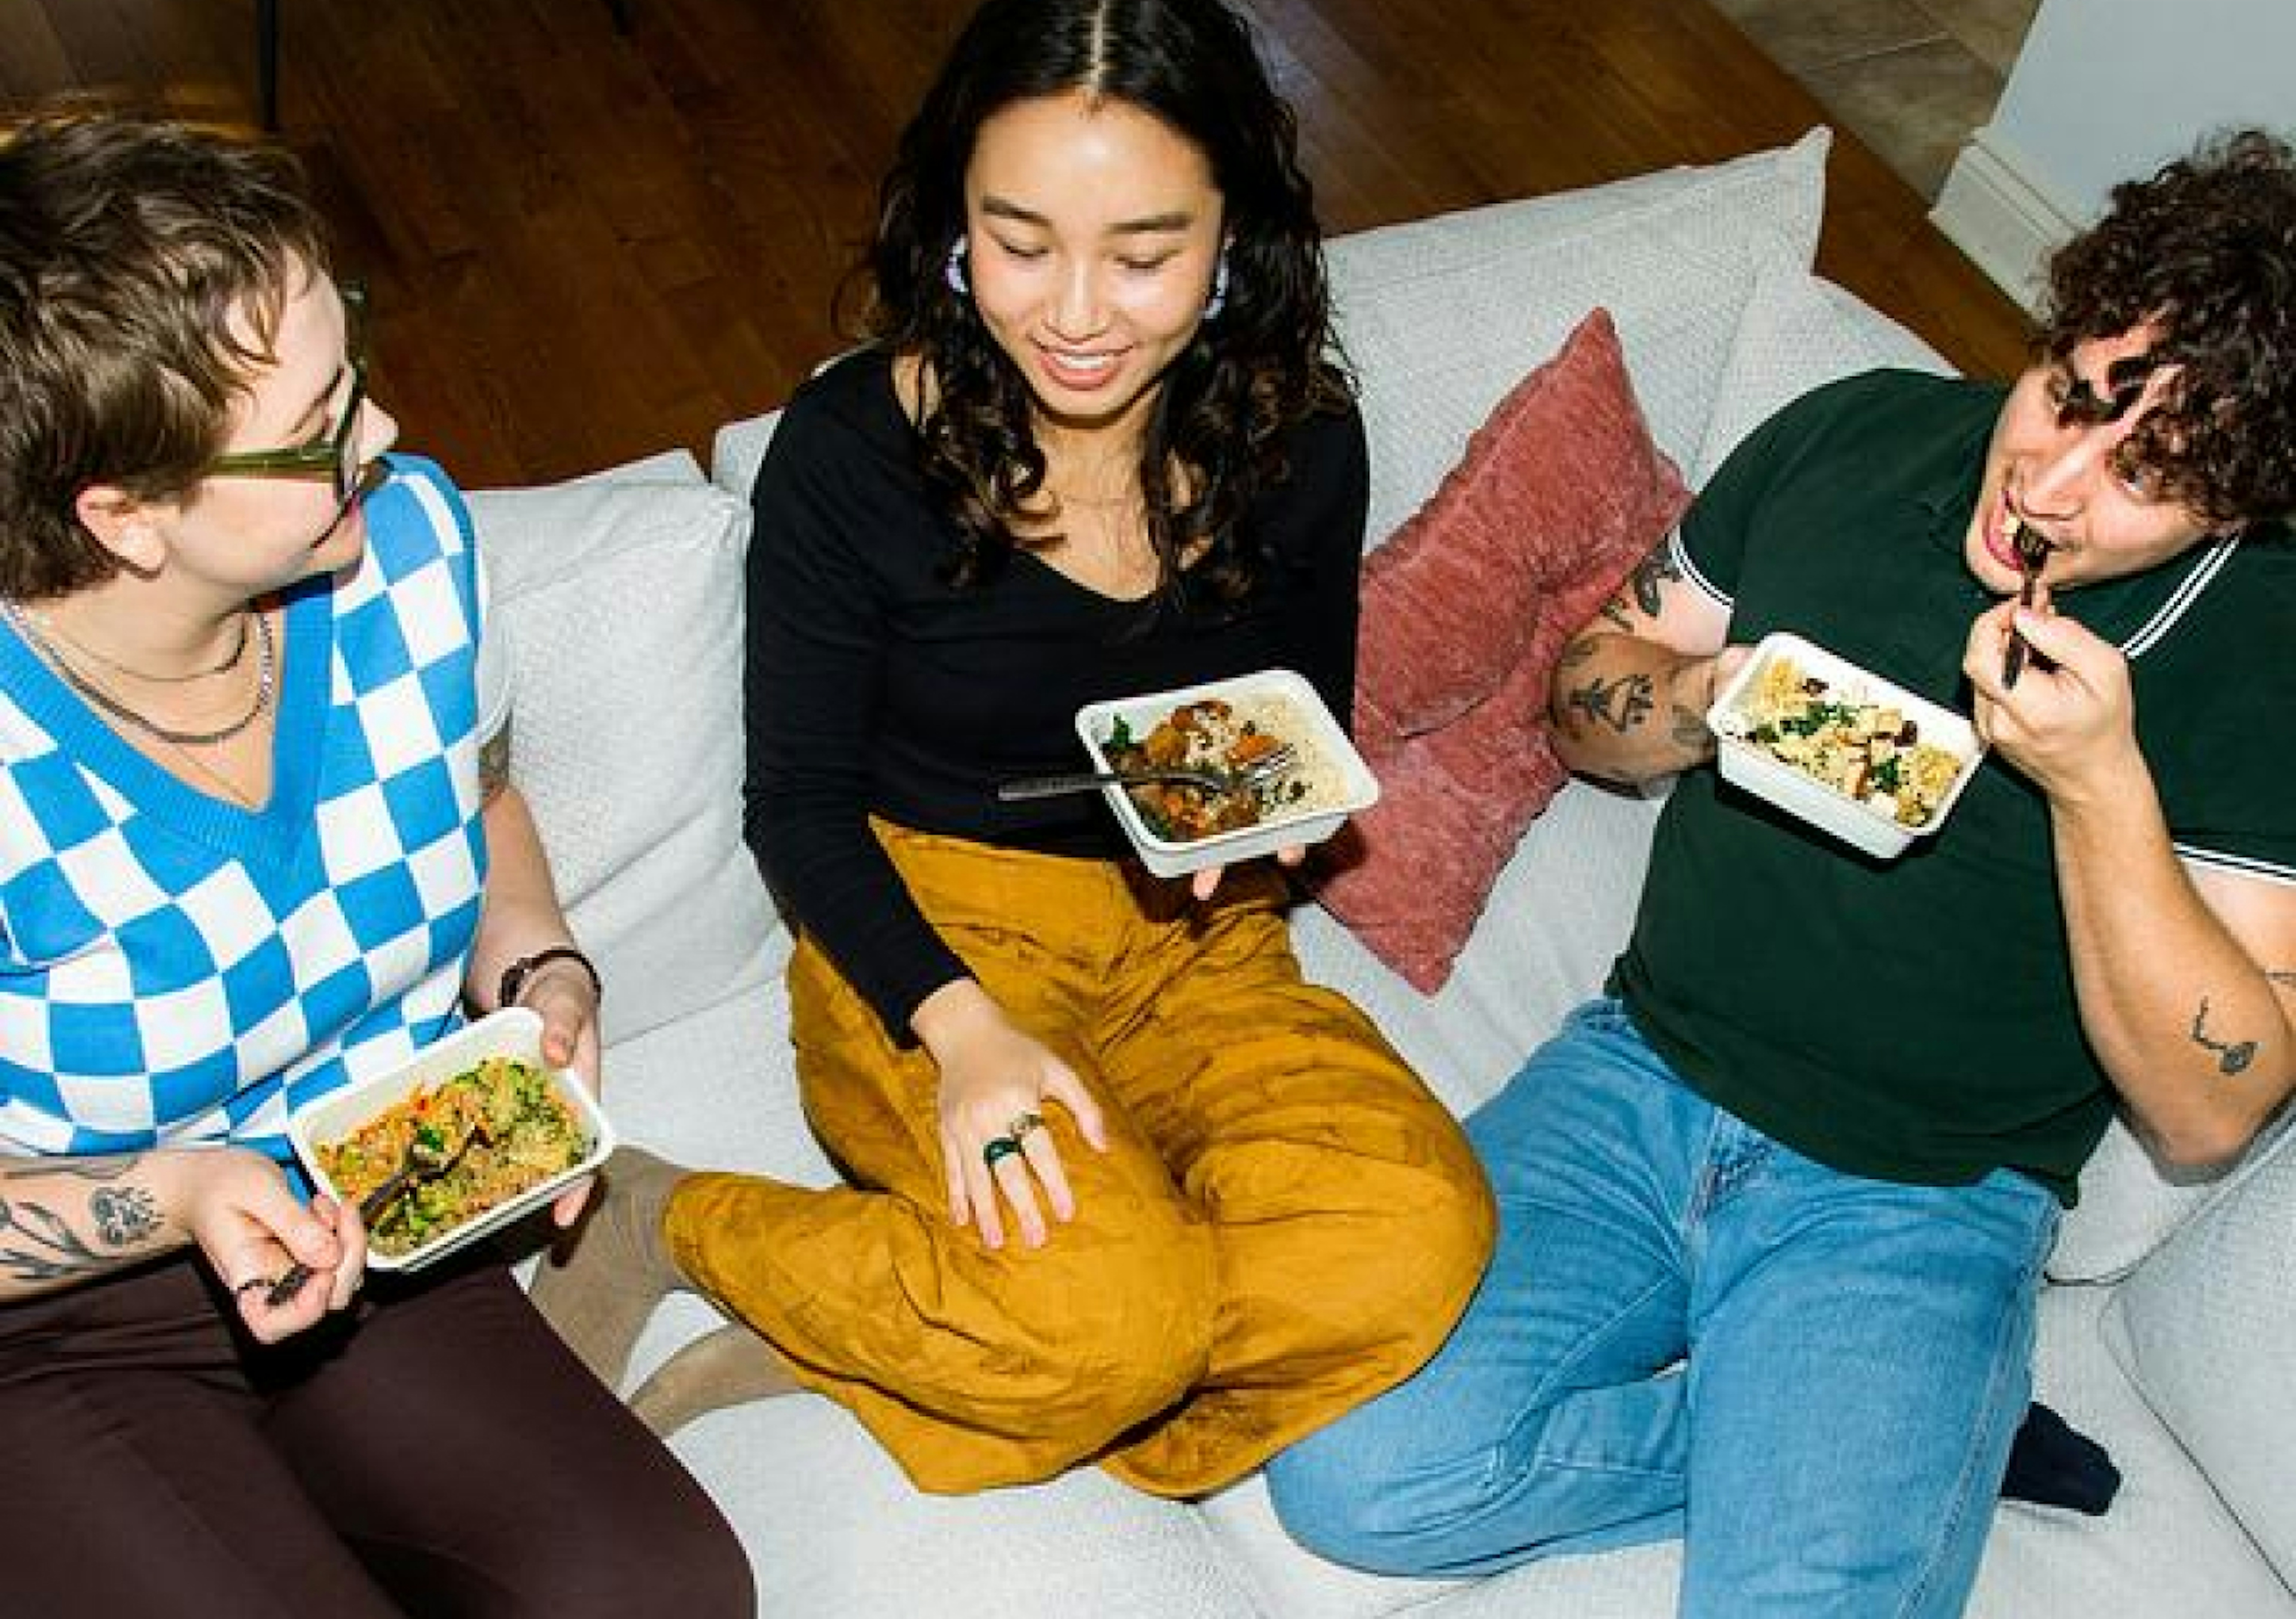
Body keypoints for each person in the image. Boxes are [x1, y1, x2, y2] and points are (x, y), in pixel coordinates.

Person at [1263, 128, 2296, 1617]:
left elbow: (2216, 1102)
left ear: (2238, 505)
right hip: (1634, 1079)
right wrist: (1707, 705)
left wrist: (2097, 788)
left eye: (2144, 471)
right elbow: (1591, 687)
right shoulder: (1852, 434)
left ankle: (1882, 1430)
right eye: (2066, 396)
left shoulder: (2265, 657)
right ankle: (1846, 1443)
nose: (2052, 483)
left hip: (1923, 1203)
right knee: (1349, 1471)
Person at [529, 0, 1492, 1494]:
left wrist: (1265, 816)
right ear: (953, 220)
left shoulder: (1307, 440)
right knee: (1114, 1319)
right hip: (932, 932)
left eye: (1146, 251)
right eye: (1020, 240)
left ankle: (959, 1331)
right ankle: (678, 1220)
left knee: (1416, 1243)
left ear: (1236, 237)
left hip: (1203, 936)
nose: (1078, 311)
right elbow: (796, 808)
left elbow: (1295, 712)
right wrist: (962, 1030)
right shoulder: (853, 453)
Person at [0, 114, 752, 1617]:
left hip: (381, 1214)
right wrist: (174, 1192)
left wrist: (536, 960)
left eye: (352, 373)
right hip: (62, 1324)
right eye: (321, 424)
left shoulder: (403, 544)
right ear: (125, 514)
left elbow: (476, 795)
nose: (386, 433)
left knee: (667, 1591)